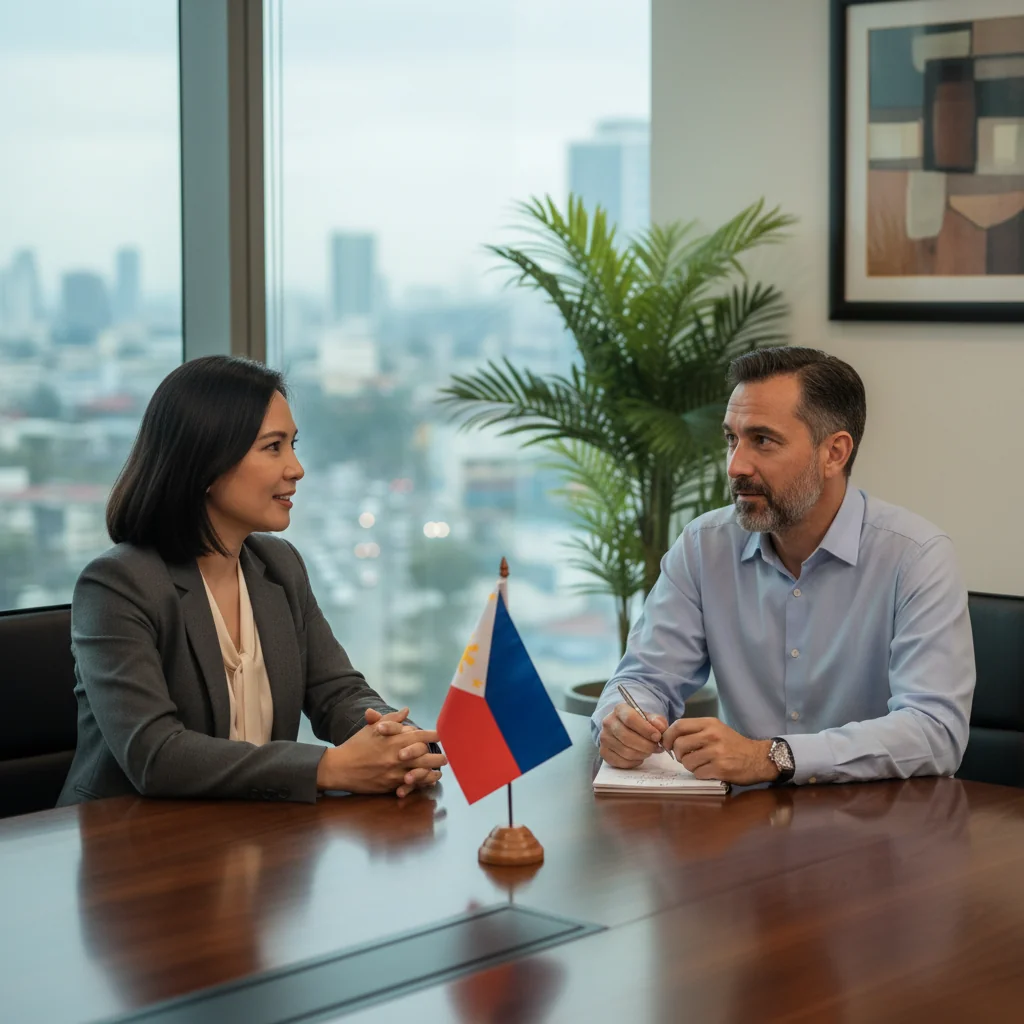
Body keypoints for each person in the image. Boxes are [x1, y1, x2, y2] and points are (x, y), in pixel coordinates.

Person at [59, 355, 446, 805]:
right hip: (130, 848)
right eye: (273, 447)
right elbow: (156, 755)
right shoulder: (117, 585)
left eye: (293, 445)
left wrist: (403, 745)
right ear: (207, 462)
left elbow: (338, 692)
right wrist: (328, 767)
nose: (296, 468)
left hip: (253, 836)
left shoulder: (279, 566)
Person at [593, 347, 975, 786]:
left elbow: (935, 730)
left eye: (763, 440)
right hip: (741, 829)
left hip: (877, 832)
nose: (736, 465)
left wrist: (773, 757)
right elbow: (643, 679)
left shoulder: (917, 557)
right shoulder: (703, 546)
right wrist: (621, 721)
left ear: (834, 453)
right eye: (731, 439)